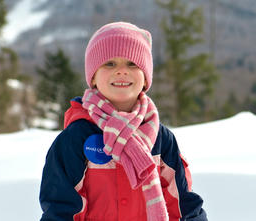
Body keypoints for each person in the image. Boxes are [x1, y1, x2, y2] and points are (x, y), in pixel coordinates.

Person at [39, 21, 207, 221]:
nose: (121, 71)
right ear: (93, 77)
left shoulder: (161, 139)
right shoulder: (76, 138)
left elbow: (183, 205)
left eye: (132, 63)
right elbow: (60, 209)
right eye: (110, 63)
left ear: (145, 78)